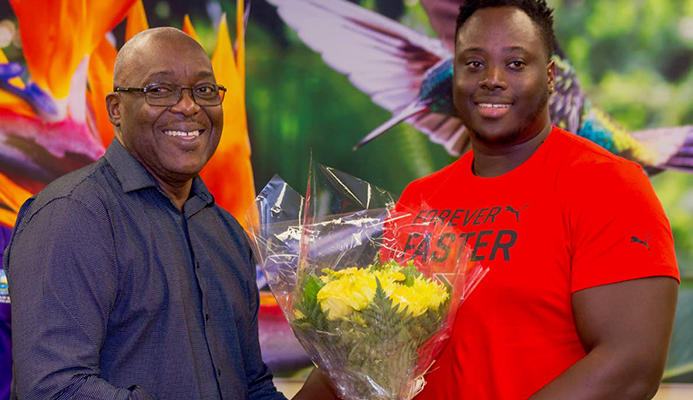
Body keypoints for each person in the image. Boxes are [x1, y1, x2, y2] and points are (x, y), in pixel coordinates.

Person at [295, 1, 680, 399]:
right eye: (474, 63)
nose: (492, 79)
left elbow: (630, 367)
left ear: (549, 77)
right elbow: (374, 348)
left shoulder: (609, 184)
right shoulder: (421, 198)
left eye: (515, 63)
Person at [4, 27, 287, 400]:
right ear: (116, 110)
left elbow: (251, 386)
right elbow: (55, 388)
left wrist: (343, 377)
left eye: (204, 90)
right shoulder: (71, 216)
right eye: (160, 90)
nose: (189, 106)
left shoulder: (227, 234)